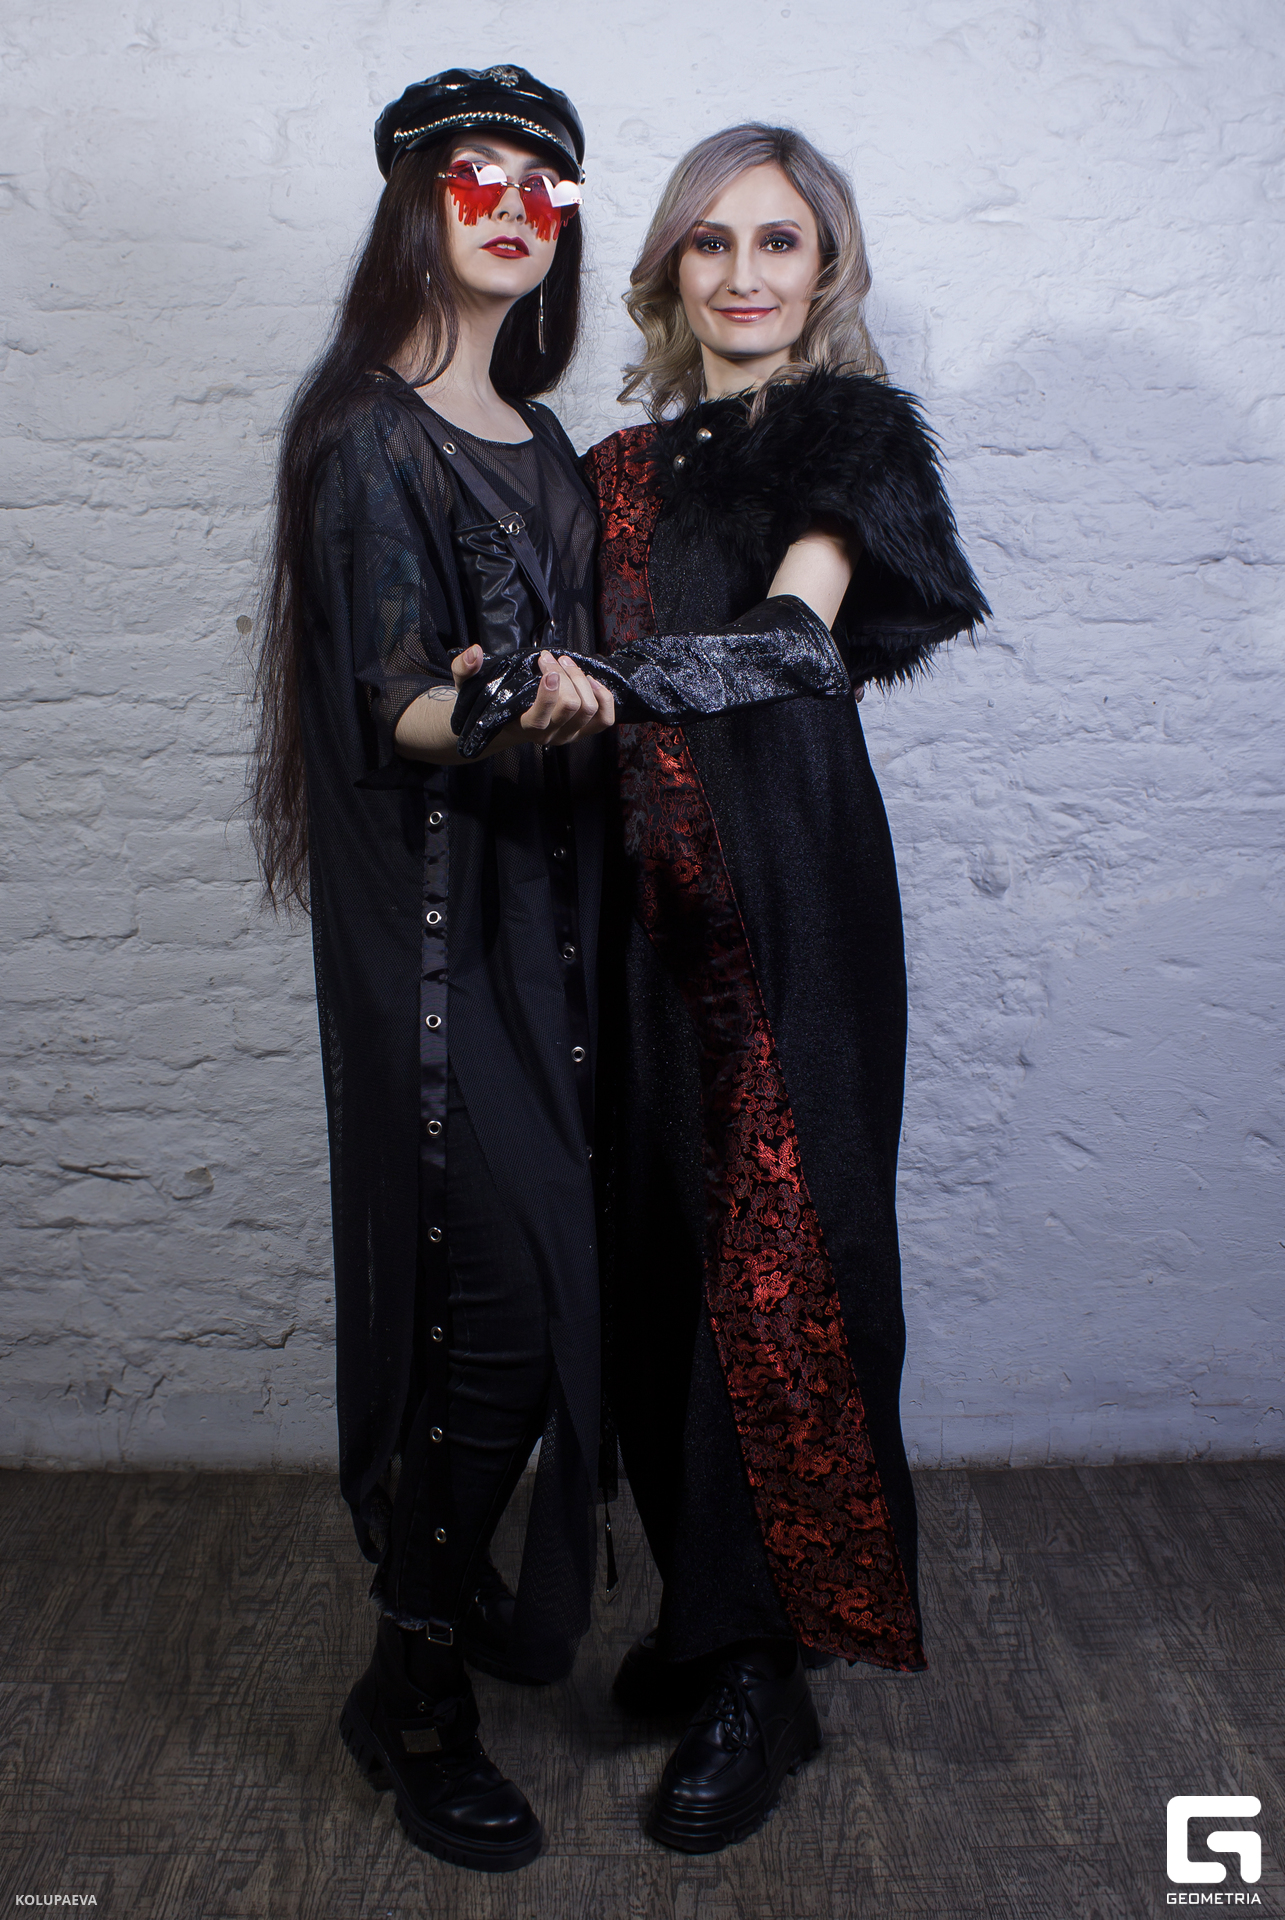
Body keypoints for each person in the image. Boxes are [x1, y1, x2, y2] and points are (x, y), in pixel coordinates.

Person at [249, 70, 851, 1873]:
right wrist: (508, 702)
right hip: (443, 946)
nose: (511, 206)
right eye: (474, 178)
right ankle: (413, 1699)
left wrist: (596, 694)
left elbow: (728, 646)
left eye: (545, 185)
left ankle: (485, 1667)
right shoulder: (365, 436)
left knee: (572, 1302)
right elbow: (396, 706)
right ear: (412, 206)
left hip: (575, 935)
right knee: (494, 1323)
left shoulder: (538, 434)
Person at [582, 123, 990, 1855]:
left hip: (788, 889)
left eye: (777, 242)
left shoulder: (846, 432)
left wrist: (586, 680)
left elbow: (793, 640)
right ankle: (708, 1616)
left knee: (784, 1258)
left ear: (825, 270)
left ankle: (764, 1668)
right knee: (653, 1245)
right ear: (668, 269)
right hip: (631, 896)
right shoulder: (610, 464)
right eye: (710, 243)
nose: (742, 274)